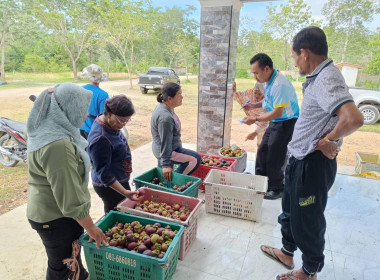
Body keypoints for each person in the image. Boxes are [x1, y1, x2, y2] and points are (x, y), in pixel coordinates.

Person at [260, 26, 364, 280]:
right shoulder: (319, 77)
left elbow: (354, 118)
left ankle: (309, 271)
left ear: (304, 53)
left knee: (307, 218)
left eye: (295, 56)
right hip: (299, 160)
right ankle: (286, 251)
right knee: (289, 211)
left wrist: (330, 139)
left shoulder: (328, 77)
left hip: (312, 165)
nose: (295, 63)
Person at [26, 83, 108, 280]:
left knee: (69, 260)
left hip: (53, 212)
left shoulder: (50, 130)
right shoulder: (57, 145)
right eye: (81, 106)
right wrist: (91, 228)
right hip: (55, 217)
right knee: (63, 267)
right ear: (67, 108)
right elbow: (69, 198)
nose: (87, 112)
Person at [242, 53, 300, 200]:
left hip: (286, 122)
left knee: (275, 154)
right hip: (276, 121)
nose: (255, 76)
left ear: (266, 68)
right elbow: (269, 102)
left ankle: (277, 187)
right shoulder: (269, 81)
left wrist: (254, 118)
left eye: (256, 73)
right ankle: (261, 183)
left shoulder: (280, 84)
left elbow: (277, 111)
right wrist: (252, 105)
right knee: (263, 150)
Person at [87, 95, 140, 214]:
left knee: (124, 211)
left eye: (127, 120)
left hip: (118, 180)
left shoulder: (110, 123)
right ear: (109, 114)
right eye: (122, 120)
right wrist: (124, 192)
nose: (124, 124)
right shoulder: (101, 139)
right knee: (117, 214)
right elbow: (104, 174)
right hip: (109, 186)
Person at [151, 82, 201, 181]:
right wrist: (166, 164)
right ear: (169, 98)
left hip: (168, 150)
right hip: (167, 151)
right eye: (179, 95)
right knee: (195, 159)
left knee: (162, 178)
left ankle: (166, 181)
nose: (182, 97)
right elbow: (165, 142)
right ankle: (174, 181)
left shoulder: (166, 107)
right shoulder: (165, 117)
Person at [234, 82, 268, 147]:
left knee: (262, 144)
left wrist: (255, 133)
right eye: (255, 93)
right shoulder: (249, 93)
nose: (256, 96)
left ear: (264, 93)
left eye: (259, 94)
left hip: (268, 124)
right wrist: (233, 91)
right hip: (259, 120)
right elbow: (238, 96)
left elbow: (265, 122)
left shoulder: (267, 102)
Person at [80, 64, 109, 139]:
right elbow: (103, 117)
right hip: (93, 132)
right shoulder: (103, 95)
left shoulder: (80, 90)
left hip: (78, 129)